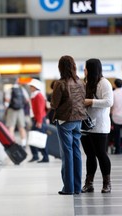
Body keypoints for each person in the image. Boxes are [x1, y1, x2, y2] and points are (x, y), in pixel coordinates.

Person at [51, 55, 87, 195]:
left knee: (67, 154)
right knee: (76, 152)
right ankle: (77, 187)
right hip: (78, 120)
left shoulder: (60, 84)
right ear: (73, 66)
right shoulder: (80, 82)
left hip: (65, 120)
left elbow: (54, 104)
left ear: (60, 67)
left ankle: (68, 188)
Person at [80, 58, 113, 194]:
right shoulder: (86, 82)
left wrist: (90, 102)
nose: (84, 70)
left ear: (91, 69)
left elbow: (108, 102)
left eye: (86, 68)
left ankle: (107, 183)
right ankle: (89, 183)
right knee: (89, 155)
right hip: (85, 125)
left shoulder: (104, 83)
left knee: (101, 154)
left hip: (100, 125)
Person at [27, 79, 49, 163]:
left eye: (31, 86)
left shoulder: (38, 96)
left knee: (41, 138)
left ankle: (45, 157)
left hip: (39, 119)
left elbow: (40, 110)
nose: (30, 88)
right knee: (33, 137)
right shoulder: (34, 95)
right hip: (37, 119)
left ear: (35, 87)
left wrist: (39, 121)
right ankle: (35, 155)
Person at [4, 78, 30, 147]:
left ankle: (12, 143)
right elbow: (27, 100)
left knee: (11, 127)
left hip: (11, 110)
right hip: (20, 110)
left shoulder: (10, 90)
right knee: (22, 127)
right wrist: (21, 105)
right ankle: (23, 143)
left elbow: (7, 100)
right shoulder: (22, 89)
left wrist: (6, 108)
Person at [111, 78, 122, 154]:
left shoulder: (113, 93)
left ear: (115, 84)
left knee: (117, 135)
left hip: (116, 117)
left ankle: (118, 150)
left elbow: (111, 105)